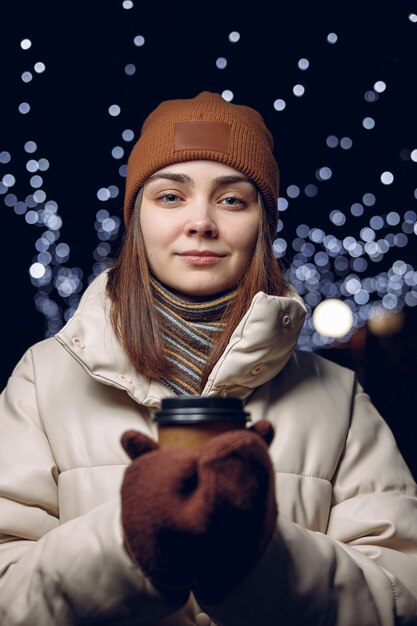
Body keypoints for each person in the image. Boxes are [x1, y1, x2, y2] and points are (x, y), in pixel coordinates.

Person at [0, 91, 416, 626]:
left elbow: (398, 595)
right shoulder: (43, 376)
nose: (201, 221)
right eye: (171, 197)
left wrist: (261, 560)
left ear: (261, 226)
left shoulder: (338, 397)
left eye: (232, 200)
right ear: (137, 220)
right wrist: (127, 546)